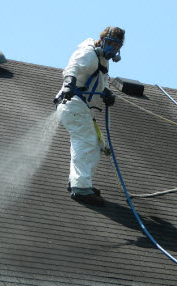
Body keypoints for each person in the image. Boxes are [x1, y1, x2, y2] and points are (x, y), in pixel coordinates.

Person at [54, 26, 125, 206]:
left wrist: (107, 93)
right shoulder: (88, 53)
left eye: (116, 46)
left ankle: (78, 182)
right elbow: (72, 68)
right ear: (101, 40)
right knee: (87, 143)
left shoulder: (102, 60)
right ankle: (81, 188)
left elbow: (100, 80)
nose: (112, 49)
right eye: (109, 43)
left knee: (89, 144)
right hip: (73, 102)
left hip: (81, 106)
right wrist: (69, 85)